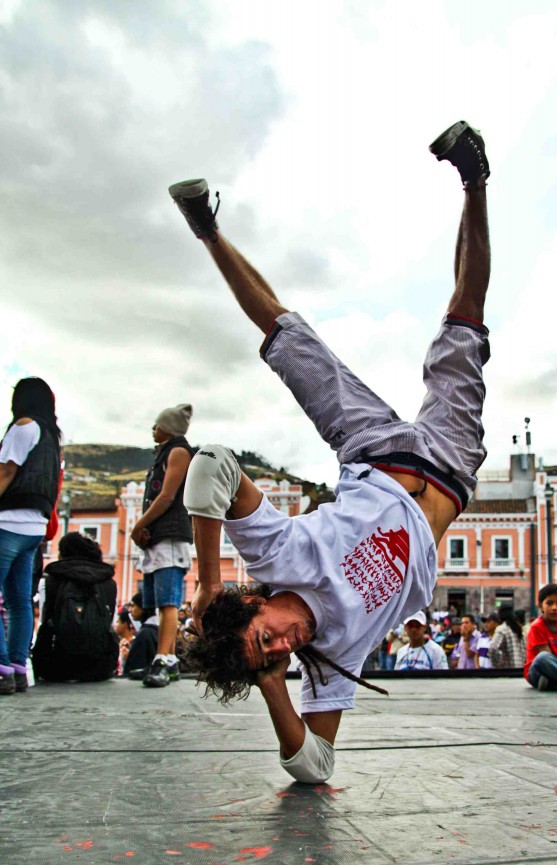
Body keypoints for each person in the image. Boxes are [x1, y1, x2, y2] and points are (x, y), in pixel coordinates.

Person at [169, 118, 491, 783]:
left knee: (288, 338)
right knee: (465, 317)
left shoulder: (278, 556)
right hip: (450, 470)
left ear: (255, 603)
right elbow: (315, 767)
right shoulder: (331, 653)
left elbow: (214, 464)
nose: (287, 644)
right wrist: (273, 682)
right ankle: (477, 180)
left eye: (268, 637)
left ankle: (205, 227)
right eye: (278, 656)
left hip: (375, 448)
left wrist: (205, 581)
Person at [0, 378, 61, 695]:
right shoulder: (52, 437)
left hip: (7, 520)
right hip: (34, 528)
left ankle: (1, 668)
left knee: (10, 600)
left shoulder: (23, 426)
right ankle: (18, 668)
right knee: (19, 601)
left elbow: (5, 472)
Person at [131, 405, 195, 688]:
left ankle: (162, 659)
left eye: (157, 425)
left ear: (168, 427)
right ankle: (168, 660)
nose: (153, 430)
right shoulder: (166, 452)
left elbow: (167, 496)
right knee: (160, 603)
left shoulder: (178, 452)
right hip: (160, 536)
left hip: (170, 536)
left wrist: (139, 524)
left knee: (169, 602)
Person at [32, 532, 119, 683]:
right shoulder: (109, 584)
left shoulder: (50, 581)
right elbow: (110, 624)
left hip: (54, 668)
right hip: (100, 668)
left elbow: (44, 621)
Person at [124, 592, 160, 679]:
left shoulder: (145, 633)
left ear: (143, 607)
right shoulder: (157, 630)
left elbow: (137, 665)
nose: (130, 610)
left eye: (133, 606)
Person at [488, 604, 525, 669]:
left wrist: (498, 664)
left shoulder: (502, 629)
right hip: (521, 671)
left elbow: (492, 649)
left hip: (507, 672)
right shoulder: (519, 630)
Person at [115, 607, 137, 673]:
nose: (115, 625)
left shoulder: (134, 643)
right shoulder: (118, 642)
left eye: (118, 622)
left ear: (124, 624)